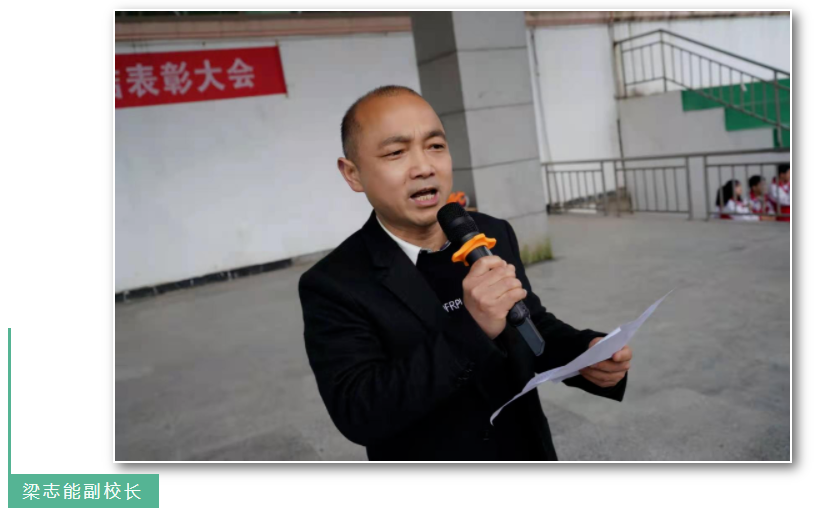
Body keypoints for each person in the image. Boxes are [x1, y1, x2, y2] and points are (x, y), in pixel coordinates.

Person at [298, 85, 631, 461]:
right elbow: (360, 412)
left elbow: (530, 323)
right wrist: (471, 329)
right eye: (396, 152)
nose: (424, 167)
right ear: (353, 174)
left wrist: (584, 354)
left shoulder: (491, 233)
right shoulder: (334, 284)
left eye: (435, 146)